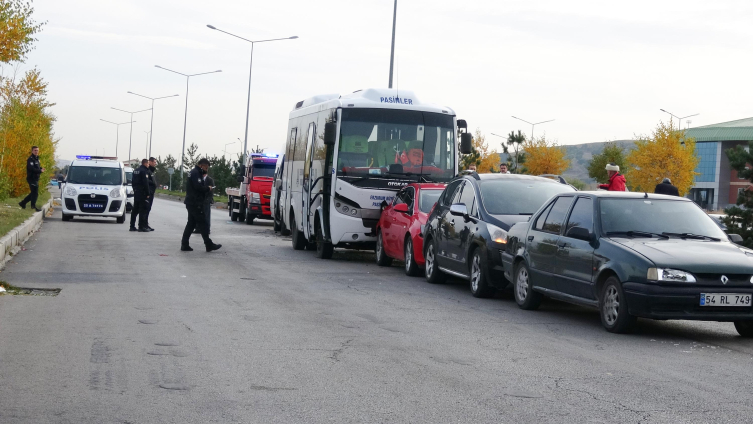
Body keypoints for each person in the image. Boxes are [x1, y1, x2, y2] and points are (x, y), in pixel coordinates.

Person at [181, 158, 222, 252]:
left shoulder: (193, 172)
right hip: (195, 203)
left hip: (191, 202)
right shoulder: (196, 173)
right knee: (203, 224)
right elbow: (198, 187)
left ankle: (184, 244)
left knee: (191, 224)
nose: (206, 170)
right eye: (206, 168)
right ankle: (208, 244)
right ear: (201, 165)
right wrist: (208, 188)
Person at [19, 146, 45, 211]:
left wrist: (41, 168)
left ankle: (23, 203)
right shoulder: (30, 159)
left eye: (37, 150)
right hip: (31, 178)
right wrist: (39, 171)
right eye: (35, 150)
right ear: (32, 151)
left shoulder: (37, 159)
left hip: (36, 178)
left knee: (34, 192)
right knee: (35, 193)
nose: (36, 152)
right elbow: (31, 168)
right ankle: (33, 206)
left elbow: (37, 167)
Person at [130, 159, 152, 232]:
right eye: (148, 163)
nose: (148, 165)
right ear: (145, 163)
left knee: (135, 210)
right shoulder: (144, 171)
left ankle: (132, 226)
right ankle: (141, 227)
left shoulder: (135, 171)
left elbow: (132, 182)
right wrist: (148, 193)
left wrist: (135, 190)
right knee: (142, 210)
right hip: (142, 193)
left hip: (136, 192)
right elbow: (145, 183)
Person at [142, 157, 158, 231]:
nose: (155, 164)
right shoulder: (147, 171)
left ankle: (146, 224)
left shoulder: (151, 171)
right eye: (154, 162)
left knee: (148, 210)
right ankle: (143, 225)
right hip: (148, 193)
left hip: (151, 193)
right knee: (145, 209)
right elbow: (146, 182)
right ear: (150, 162)